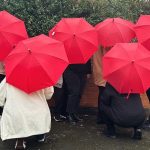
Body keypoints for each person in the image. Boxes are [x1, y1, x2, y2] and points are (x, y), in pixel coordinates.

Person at [0, 78, 54, 149]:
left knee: (19, 117)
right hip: (38, 110)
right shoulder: (42, 77)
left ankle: (20, 140)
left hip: (17, 111)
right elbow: (48, 95)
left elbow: (0, 95)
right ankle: (40, 136)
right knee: (40, 117)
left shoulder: (9, 78)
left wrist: (3, 105)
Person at [92, 46, 110, 123]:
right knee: (105, 96)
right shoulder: (105, 43)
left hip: (98, 71)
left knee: (102, 94)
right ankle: (103, 117)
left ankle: (100, 117)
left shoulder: (96, 43)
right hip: (105, 72)